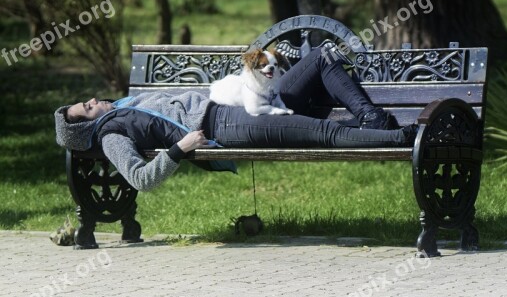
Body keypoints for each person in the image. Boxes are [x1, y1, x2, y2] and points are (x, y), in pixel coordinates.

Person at [54, 46, 417, 192]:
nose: (90, 100)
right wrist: (180, 148)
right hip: (227, 126)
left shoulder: (120, 106)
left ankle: (375, 121)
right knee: (321, 132)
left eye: (85, 101)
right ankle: (400, 139)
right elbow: (140, 179)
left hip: (244, 101)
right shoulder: (110, 136)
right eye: (86, 108)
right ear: (86, 126)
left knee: (320, 58)